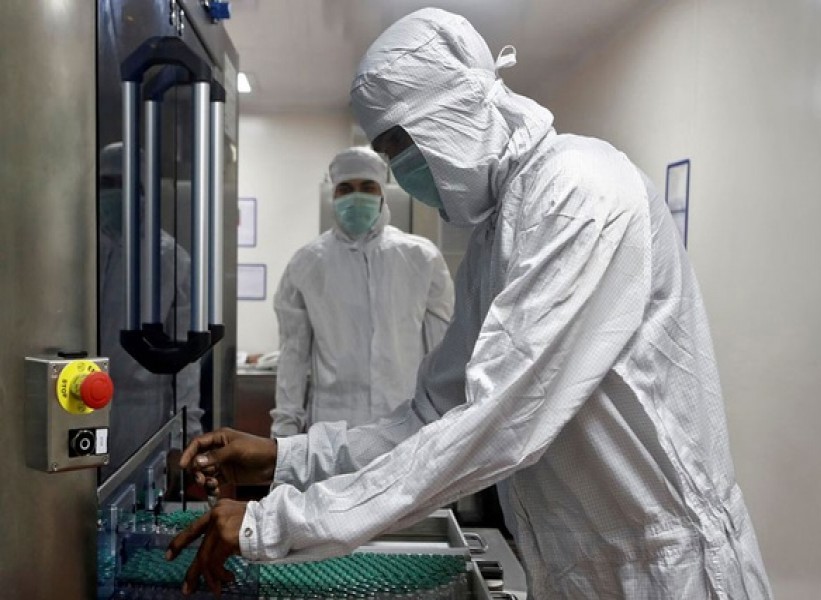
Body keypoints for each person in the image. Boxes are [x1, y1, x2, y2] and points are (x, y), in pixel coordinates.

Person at [168, 9, 772, 599]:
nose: (399, 171)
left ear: (452, 110)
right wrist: (284, 458)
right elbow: (432, 416)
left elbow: (497, 423)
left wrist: (272, 522)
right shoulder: (495, 235)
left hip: (668, 573)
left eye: (398, 145)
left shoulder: (579, 194)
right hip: (580, 570)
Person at [270, 146, 454, 437]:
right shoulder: (307, 263)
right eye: (346, 188)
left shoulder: (420, 257)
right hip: (333, 429)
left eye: (367, 187)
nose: (357, 196)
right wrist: (284, 432)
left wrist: (446, 419)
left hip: (406, 424)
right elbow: (293, 355)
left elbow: (442, 348)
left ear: (382, 193)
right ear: (334, 195)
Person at [97, 142, 203, 478]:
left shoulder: (169, 258)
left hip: (144, 418)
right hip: (81, 408)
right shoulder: (79, 250)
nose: (116, 193)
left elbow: (187, 360)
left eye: (128, 184)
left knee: (135, 510)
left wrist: (184, 439)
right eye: (107, 184)